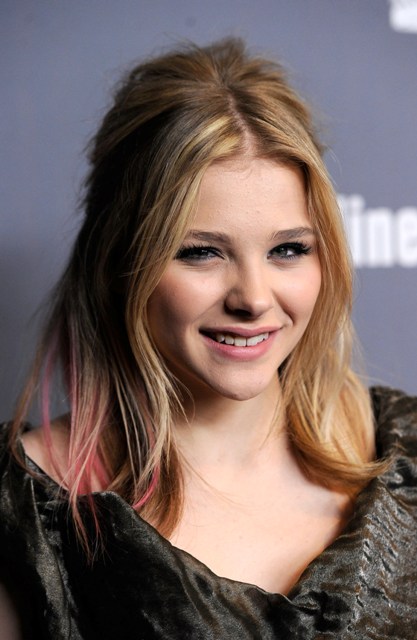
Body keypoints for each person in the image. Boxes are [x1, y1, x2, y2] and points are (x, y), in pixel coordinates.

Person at [1, 38, 416, 640]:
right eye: (201, 252)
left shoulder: (404, 452)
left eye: (288, 249)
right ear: (120, 262)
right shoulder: (26, 511)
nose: (254, 298)